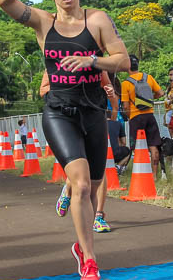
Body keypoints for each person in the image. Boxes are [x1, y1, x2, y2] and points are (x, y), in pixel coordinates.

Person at [0, 0, 129, 280]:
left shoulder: (97, 20)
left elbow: (123, 61)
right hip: (58, 111)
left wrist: (91, 59)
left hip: (93, 112)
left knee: (96, 185)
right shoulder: (43, 22)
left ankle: (80, 242)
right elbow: (3, 1)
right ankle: (89, 262)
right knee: (83, 186)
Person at [42, 66, 119, 233]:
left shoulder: (100, 63)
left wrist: (113, 107)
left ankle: (98, 215)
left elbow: (111, 92)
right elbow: (44, 90)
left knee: (99, 170)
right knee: (82, 167)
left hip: (96, 117)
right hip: (70, 119)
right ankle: (68, 190)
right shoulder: (57, 61)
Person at [121, 55, 166, 178]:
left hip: (136, 117)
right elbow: (161, 93)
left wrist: (130, 116)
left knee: (137, 147)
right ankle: (154, 175)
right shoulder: (148, 78)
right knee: (154, 146)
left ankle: (141, 173)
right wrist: (149, 100)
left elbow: (125, 106)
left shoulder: (126, 83)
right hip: (150, 115)